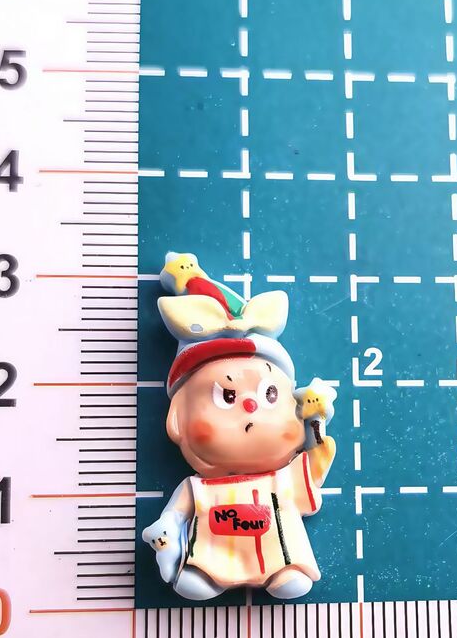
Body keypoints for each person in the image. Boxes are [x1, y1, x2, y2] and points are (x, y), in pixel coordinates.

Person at [142, 252, 336, 600]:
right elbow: (174, 516)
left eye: (270, 394)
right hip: (213, 552)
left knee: (288, 572)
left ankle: (285, 572)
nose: (250, 406)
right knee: (197, 579)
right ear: (177, 420)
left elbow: (313, 471)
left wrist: (317, 424)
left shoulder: (281, 477)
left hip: (277, 551)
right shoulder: (196, 488)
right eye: (226, 396)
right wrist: (167, 531)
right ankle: (204, 573)